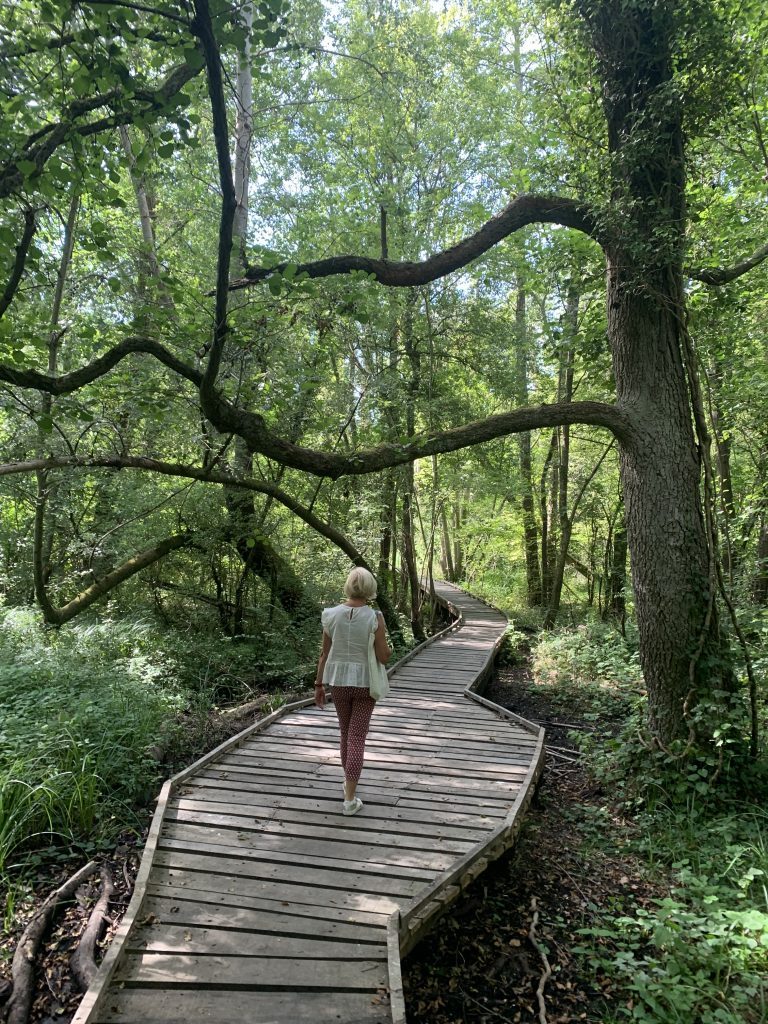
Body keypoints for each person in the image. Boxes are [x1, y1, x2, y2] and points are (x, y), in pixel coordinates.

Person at [314, 567, 392, 816]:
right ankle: (349, 799)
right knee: (357, 737)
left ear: (348, 586)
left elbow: (324, 654)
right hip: (365, 683)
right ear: (370, 588)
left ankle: (348, 783)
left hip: (338, 682)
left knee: (345, 733)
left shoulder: (330, 615)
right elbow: (383, 656)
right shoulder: (374, 617)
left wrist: (318, 685)